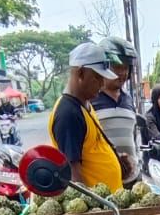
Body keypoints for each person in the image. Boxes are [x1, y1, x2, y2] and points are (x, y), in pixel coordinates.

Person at [49, 41, 123, 192]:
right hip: (100, 209)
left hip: (112, 201)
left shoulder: (84, 104)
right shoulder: (68, 114)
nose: (102, 84)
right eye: (97, 77)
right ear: (81, 73)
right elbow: (74, 177)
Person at [91, 37, 140, 185]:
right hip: (103, 182)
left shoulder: (129, 100)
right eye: (117, 67)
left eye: (126, 68)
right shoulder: (91, 100)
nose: (122, 72)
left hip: (131, 178)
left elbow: (133, 135)